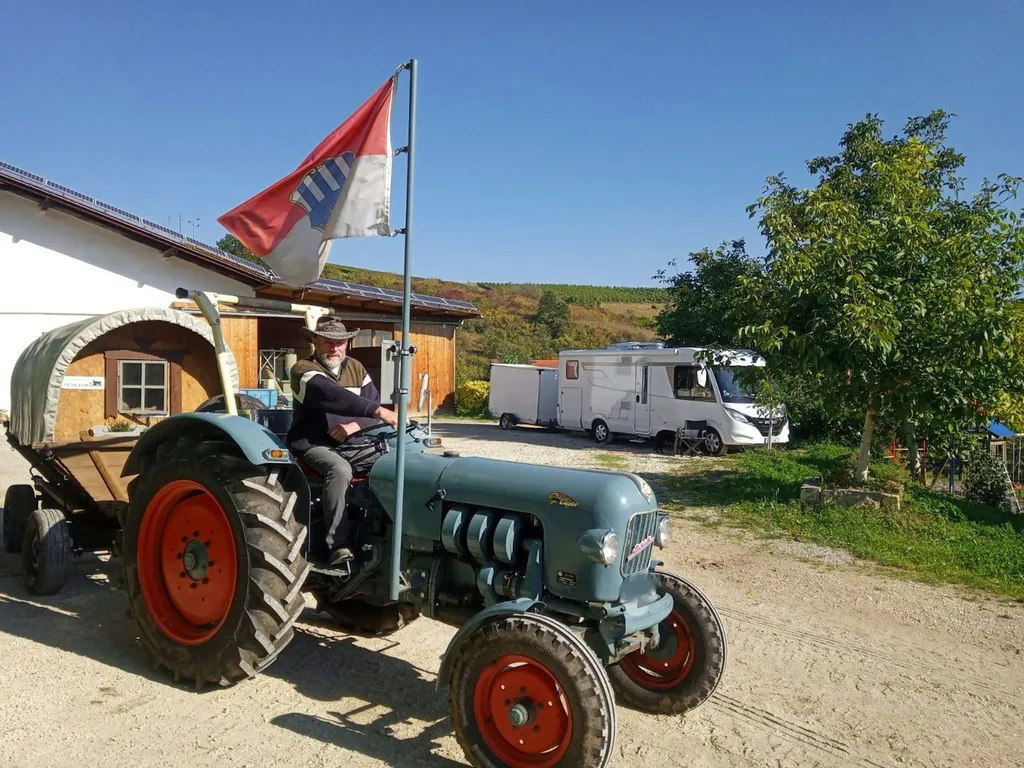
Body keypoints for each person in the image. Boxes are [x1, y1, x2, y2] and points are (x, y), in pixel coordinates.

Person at [287, 315, 398, 565]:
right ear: (315, 341)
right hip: (312, 443)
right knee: (339, 470)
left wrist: (355, 425)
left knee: (391, 462)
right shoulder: (303, 370)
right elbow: (332, 395)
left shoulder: (356, 368)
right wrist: (377, 412)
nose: (334, 348)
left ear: (347, 343)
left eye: (340, 342)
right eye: (328, 342)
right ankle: (337, 545)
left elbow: (372, 407)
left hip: (351, 441)